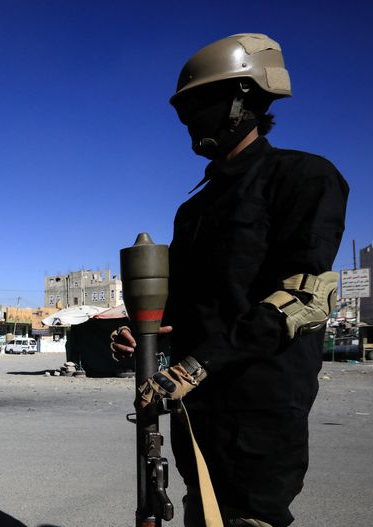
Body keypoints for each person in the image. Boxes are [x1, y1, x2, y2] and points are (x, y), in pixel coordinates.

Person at [112, 34, 348, 527]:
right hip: (195, 409)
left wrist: (197, 365)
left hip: (259, 406)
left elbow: (303, 299)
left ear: (245, 99)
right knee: (201, 511)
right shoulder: (194, 208)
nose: (190, 123)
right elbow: (188, 304)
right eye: (184, 111)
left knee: (248, 518)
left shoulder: (304, 177)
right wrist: (146, 333)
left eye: (200, 105)